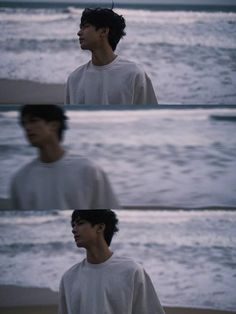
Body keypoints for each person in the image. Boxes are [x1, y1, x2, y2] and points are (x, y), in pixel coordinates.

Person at [10, 105, 120, 210]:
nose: (27, 127)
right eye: (24, 123)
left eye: (33, 120)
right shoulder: (21, 179)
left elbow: (108, 210)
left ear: (54, 125)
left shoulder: (87, 170)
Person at [58, 210, 165, 314]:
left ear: (100, 227)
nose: (73, 229)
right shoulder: (69, 278)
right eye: (73, 225)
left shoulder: (131, 271)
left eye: (80, 223)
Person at [65, 7, 158, 105]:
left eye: (86, 26)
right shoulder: (75, 78)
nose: (79, 33)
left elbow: (150, 115)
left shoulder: (133, 74)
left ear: (104, 31)